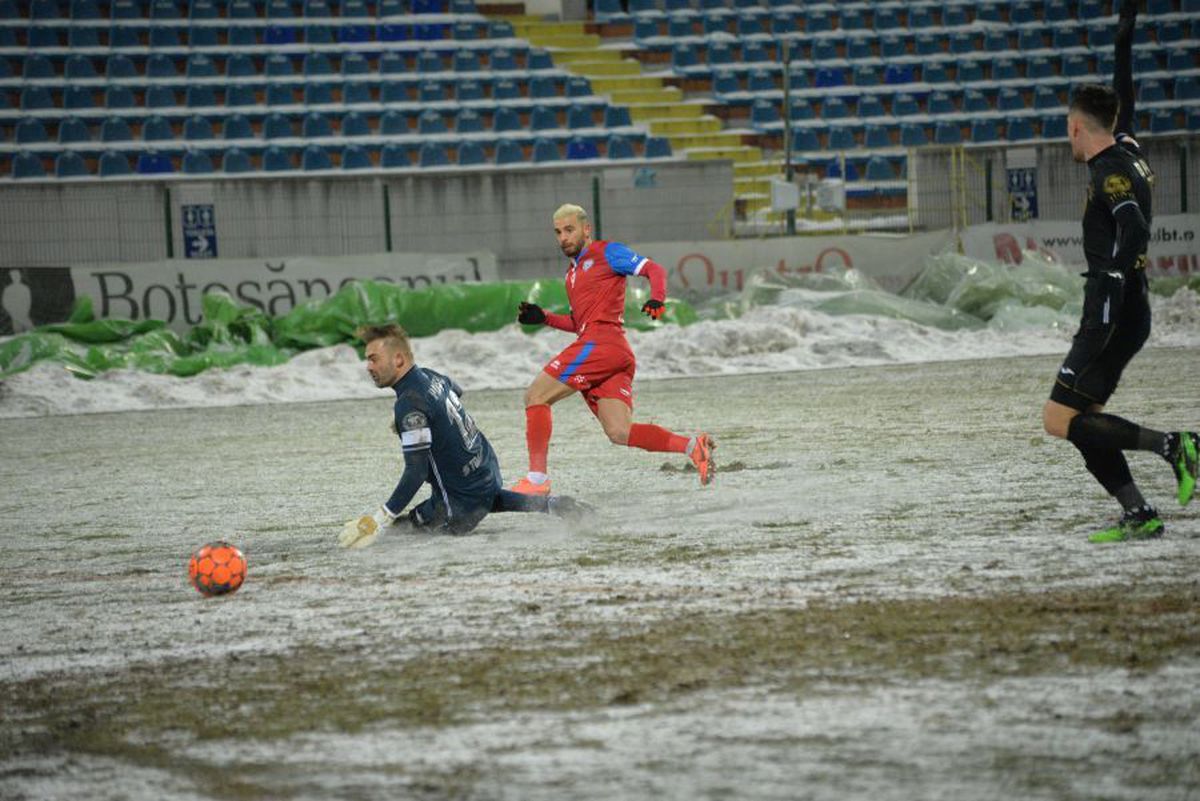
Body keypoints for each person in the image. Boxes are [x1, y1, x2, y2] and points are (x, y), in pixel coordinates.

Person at [1041, 0, 1197, 543]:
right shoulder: (1125, 145)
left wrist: (1109, 283)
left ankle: (1173, 445)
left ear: (1079, 128)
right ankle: (1139, 513)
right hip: (1133, 309)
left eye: (1069, 129)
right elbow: (1122, 94)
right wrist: (1123, 39)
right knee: (1089, 426)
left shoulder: (1109, 170)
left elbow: (1131, 225)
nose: (1069, 138)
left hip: (1112, 309)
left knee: (1058, 420)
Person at [510, 203, 715, 495]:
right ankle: (694, 447)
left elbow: (653, 269)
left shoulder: (606, 252)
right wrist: (545, 318)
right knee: (620, 432)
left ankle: (537, 481)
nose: (563, 238)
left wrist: (658, 298)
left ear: (586, 229)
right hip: (613, 351)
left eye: (569, 230)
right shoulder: (572, 275)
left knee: (535, 396)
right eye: (558, 233)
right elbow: (579, 323)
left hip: (601, 345)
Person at [339, 323, 587, 548]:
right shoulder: (430, 375)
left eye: (374, 359)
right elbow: (456, 391)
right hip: (487, 473)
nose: (369, 367)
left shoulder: (409, 405)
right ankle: (552, 505)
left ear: (399, 359)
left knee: (398, 535)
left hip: (459, 506)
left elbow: (416, 471)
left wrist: (381, 517)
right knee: (479, 497)